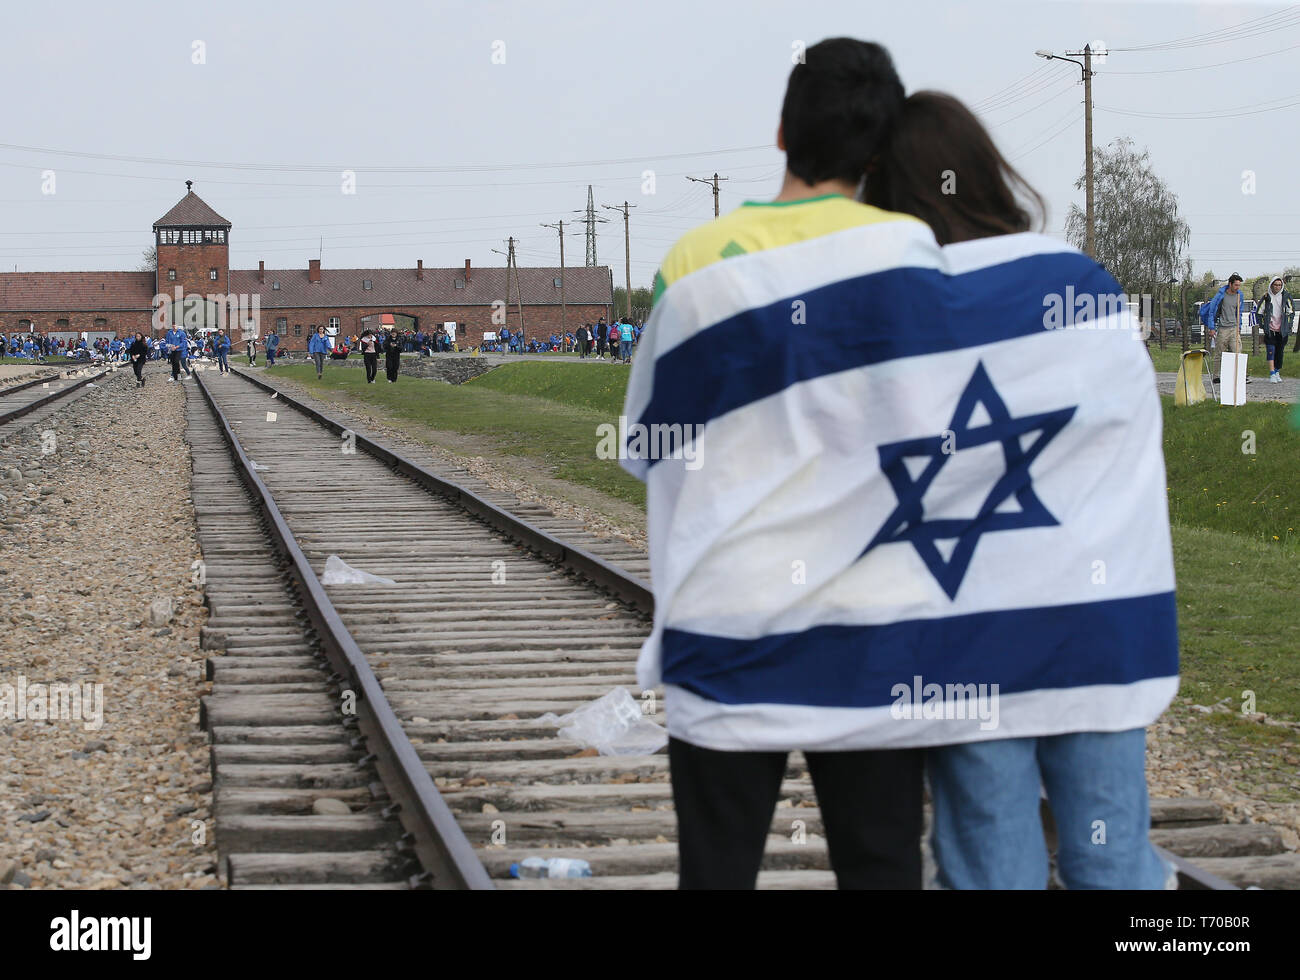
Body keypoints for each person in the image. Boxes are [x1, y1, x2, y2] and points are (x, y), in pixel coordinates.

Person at [621, 38, 928, 890]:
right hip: (874, 626)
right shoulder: (913, 257)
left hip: (725, 618)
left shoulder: (692, 263)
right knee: (882, 866)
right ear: (878, 152)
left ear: (782, 131)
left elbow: (649, 449)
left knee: (715, 871)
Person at [861, 90, 1178, 889]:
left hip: (971, 634)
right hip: (1101, 626)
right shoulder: (1081, 283)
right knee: (1113, 861)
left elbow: (871, 466)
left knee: (989, 861)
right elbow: (1129, 436)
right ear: (985, 171)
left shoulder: (898, 310)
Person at [1205, 274, 1246, 385]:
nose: (1237, 287)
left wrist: (1239, 326)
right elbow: (1212, 311)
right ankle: (1216, 376)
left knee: (1237, 351)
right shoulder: (1220, 295)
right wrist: (1212, 327)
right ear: (1230, 284)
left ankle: (1238, 374)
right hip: (1222, 328)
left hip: (1234, 327)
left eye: (1239, 285)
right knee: (1220, 353)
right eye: (1236, 285)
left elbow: (1239, 312)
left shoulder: (1239, 296)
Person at [1255, 277, 1292, 383]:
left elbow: (1291, 312)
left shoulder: (1286, 297)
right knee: (1271, 351)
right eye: (1275, 285)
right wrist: (1263, 325)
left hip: (1282, 330)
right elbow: (1259, 312)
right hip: (1270, 330)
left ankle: (1276, 371)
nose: (1277, 287)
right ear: (1271, 285)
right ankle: (1271, 373)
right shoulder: (1266, 297)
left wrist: (1288, 325)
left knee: (1279, 352)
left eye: (1279, 285)